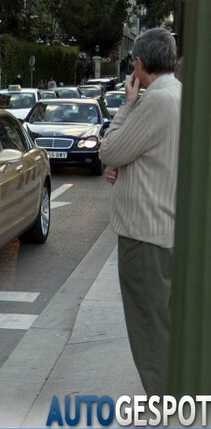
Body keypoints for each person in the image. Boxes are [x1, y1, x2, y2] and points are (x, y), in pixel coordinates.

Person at [99, 28, 181, 397]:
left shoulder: (153, 101)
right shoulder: (179, 94)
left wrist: (127, 105)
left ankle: (167, 408)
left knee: (148, 330)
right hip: (166, 228)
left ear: (140, 63)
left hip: (144, 233)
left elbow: (110, 150)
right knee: (163, 325)